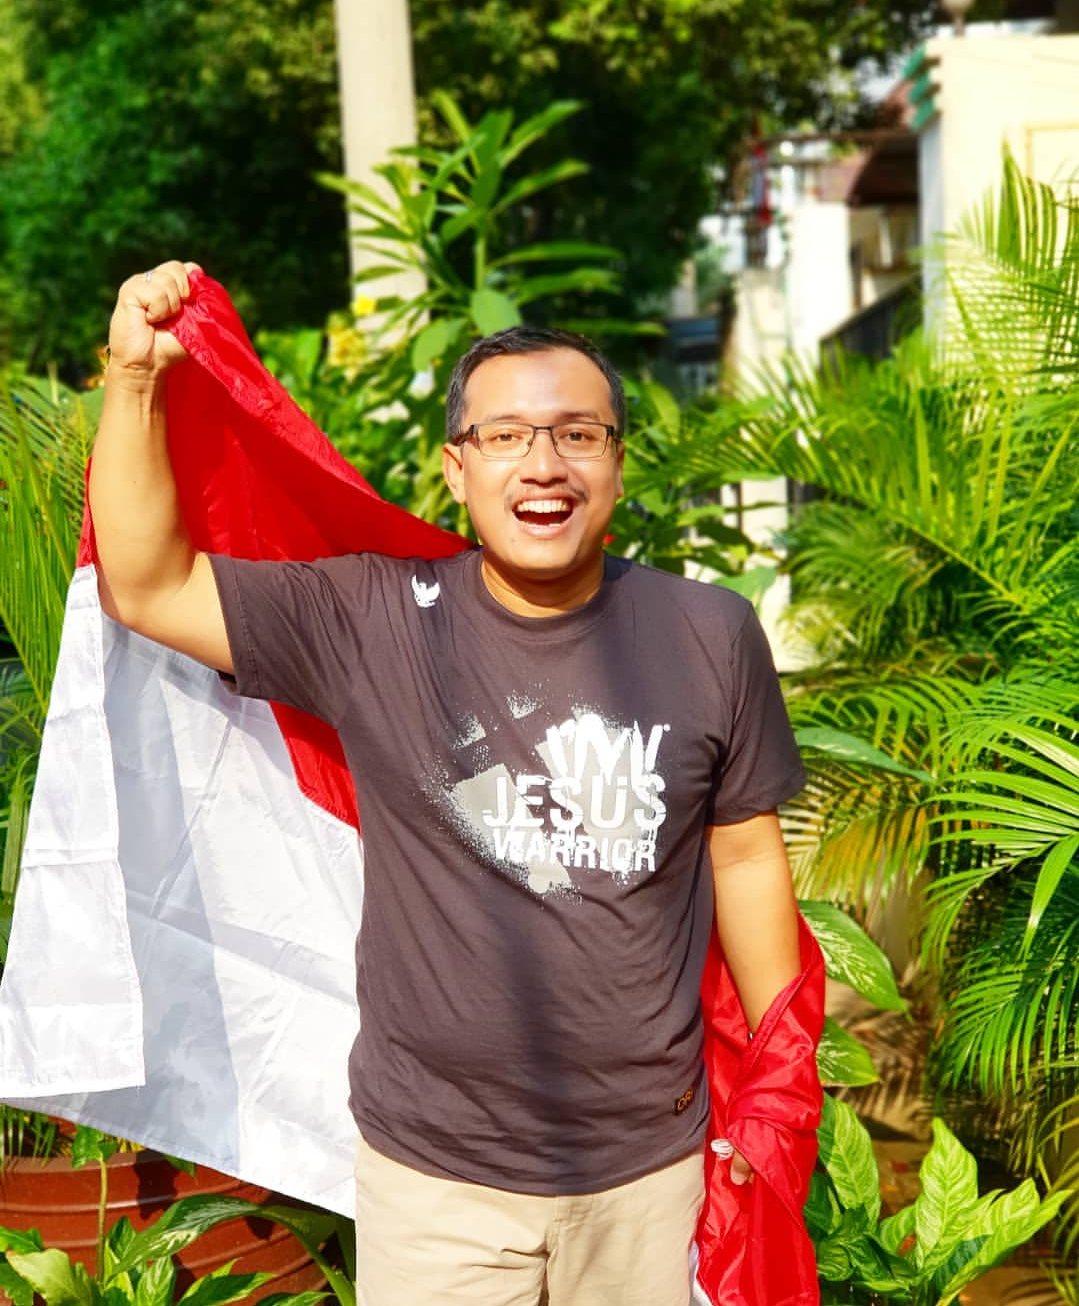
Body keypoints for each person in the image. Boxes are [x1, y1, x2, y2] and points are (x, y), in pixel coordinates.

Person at [90, 259, 809, 1306]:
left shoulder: (711, 633)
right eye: (506, 436)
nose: (544, 464)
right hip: (436, 1187)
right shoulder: (370, 619)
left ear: (618, 462)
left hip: (650, 1176)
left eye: (578, 434)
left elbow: (742, 855)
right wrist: (133, 378)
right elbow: (148, 585)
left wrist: (780, 1085)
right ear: (455, 468)